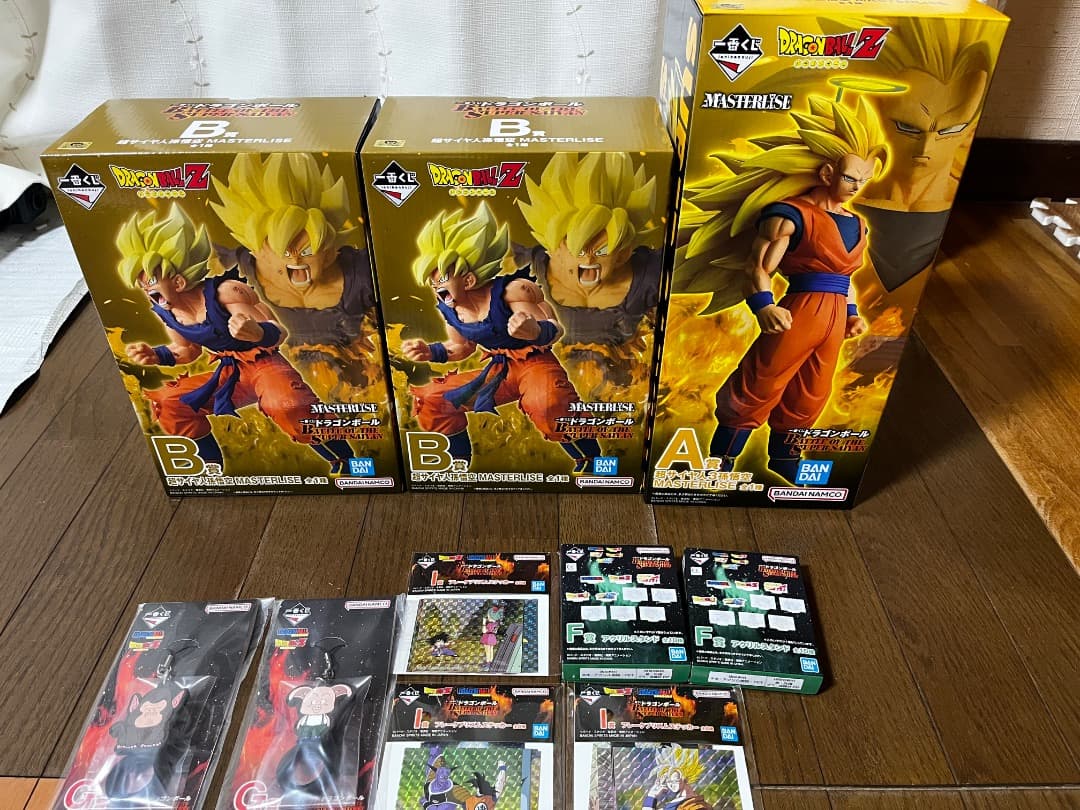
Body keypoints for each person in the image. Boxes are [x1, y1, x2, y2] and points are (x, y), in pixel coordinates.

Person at [674, 96, 889, 482]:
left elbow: (847, 278)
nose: (857, 187)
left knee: (813, 390)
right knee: (760, 381)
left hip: (834, 315)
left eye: (864, 180)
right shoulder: (791, 214)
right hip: (799, 310)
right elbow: (757, 267)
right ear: (827, 172)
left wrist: (853, 314)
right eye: (850, 178)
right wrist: (764, 306)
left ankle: (785, 460)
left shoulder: (857, 222)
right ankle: (722, 458)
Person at [117, 204, 353, 473]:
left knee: (286, 404)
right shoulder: (169, 313)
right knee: (170, 402)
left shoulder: (226, 293)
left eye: (150, 282)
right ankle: (212, 467)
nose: (147, 291)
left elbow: (278, 331)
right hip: (231, 374)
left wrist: (257, 332)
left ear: (179, 281)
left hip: (265, 365)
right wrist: (157, 355)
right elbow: (187, 351)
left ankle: (346, 459)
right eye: (142, 285)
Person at [402, 202, 601, 472]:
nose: (437, 288)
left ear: (469, 280)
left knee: (548, 403)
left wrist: (533, 330)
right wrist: (431, 351)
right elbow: (461, 347)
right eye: (433, 282)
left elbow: (554, 329)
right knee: (433, 398)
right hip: (499, 370)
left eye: (443, 279)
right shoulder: (452, 310)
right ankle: (458, 461)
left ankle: (591, 459)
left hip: (535, 363)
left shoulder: (512, 293)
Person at [211, 152, 379, 387]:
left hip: (357, 384)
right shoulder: (234, 270)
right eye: (284, 251)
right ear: (258, 253)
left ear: (330, 253)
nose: (297, 259)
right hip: (274, 380)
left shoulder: (363, 274)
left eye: (307, 250)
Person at [517, 152, 663, 386]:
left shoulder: (652, 274)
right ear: (556, 250)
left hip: (625, 386)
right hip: (546, 379)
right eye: (578, 249)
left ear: (623, 254)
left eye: (602, 250)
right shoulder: (526, 267)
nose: (589, 257)